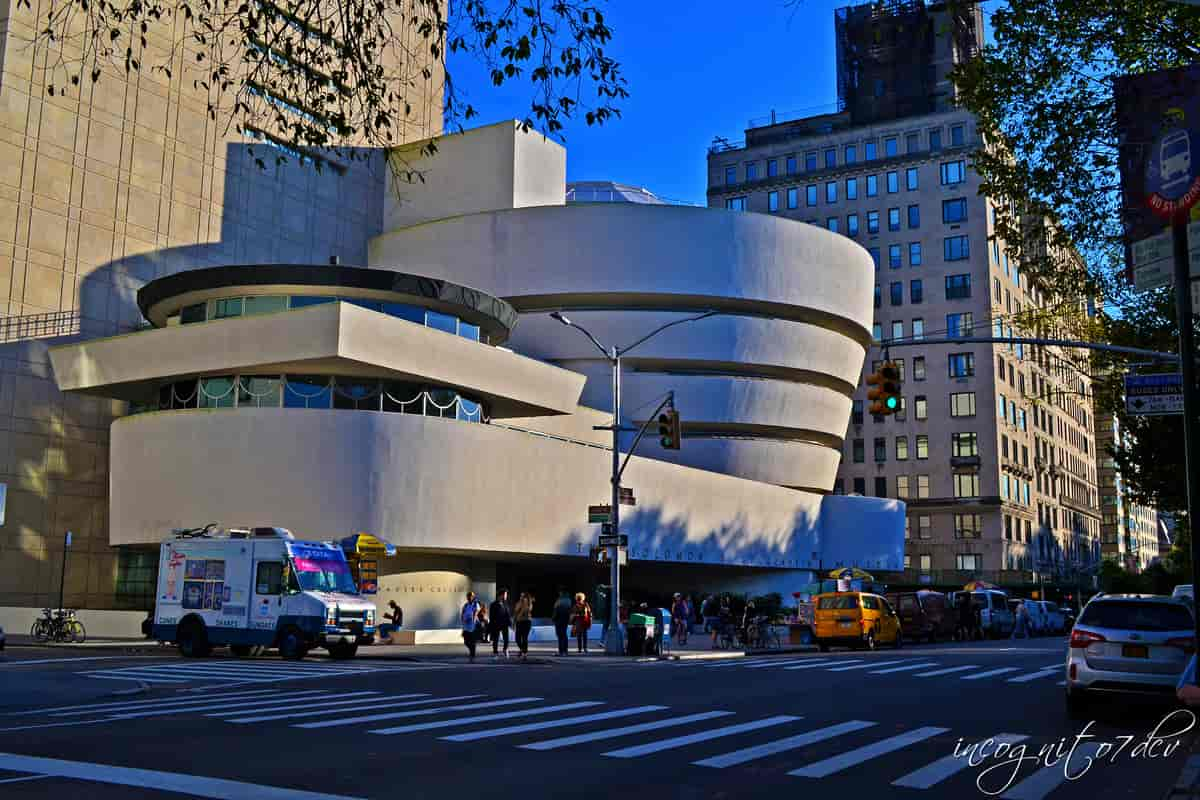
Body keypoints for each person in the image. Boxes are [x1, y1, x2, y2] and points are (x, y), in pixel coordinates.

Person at [489, 589, 512, 658]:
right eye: (505, 594)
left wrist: (510, 623)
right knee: (495, 640)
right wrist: (492, 625)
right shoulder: (493, 604)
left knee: (506, 639)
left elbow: (508, 614)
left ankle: (505, 649)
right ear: (501, 595)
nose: (506, 596)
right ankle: (495, 653)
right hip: (496, 624)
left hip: (504, 624)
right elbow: (491, 616)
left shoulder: (506, 604)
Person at [460, 591, 482, 662]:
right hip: (466, 625)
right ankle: (471, 651)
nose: (470, 597)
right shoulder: (466, 605)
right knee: (466, 641)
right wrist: (463, 620)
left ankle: (472, 654)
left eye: (471, 596)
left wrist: (473, 619)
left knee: (472, 641)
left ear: (473, 597)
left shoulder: (476, 604)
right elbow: (463, 612)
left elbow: (476, 612)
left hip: (473, 625)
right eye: (468, 596)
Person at [513, 592, 534, 661]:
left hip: (526, 622)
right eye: (521, 596)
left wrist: (524, 604)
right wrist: (514, 622)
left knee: (524, 638)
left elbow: (527, 610)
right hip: (519, 622)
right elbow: (515, 613)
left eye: (523, 596)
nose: (521, 597)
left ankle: (525, 654)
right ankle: (522, 649)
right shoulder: (518, 603)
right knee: (517, 638)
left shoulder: (529, 604)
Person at [552, 589, 572, 656]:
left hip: (559, 619)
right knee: (564, 634)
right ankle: (565, 651)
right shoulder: (569, 601)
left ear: (562, 593)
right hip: (565, 619)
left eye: (560, 592)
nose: (559, 593)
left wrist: (553, 618)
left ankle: (561, 651)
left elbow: (556, 611)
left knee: (560, 635)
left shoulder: (559, 601)